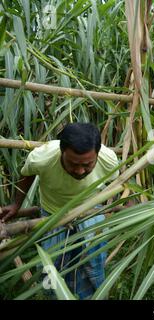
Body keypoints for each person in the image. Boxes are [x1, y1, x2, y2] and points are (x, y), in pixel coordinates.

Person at [0, 123, 119, 299]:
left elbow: (119, 182)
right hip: (52, 215)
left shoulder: (108, 159)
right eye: (73, 164)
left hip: (90, 212)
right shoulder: (42, 158)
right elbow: (27, 173)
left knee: (92, 262)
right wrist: (16, 204)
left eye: (87, 164)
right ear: (61, 152)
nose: (79, 171)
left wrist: (128, 202)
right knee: (52, 267)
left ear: (97, 154)